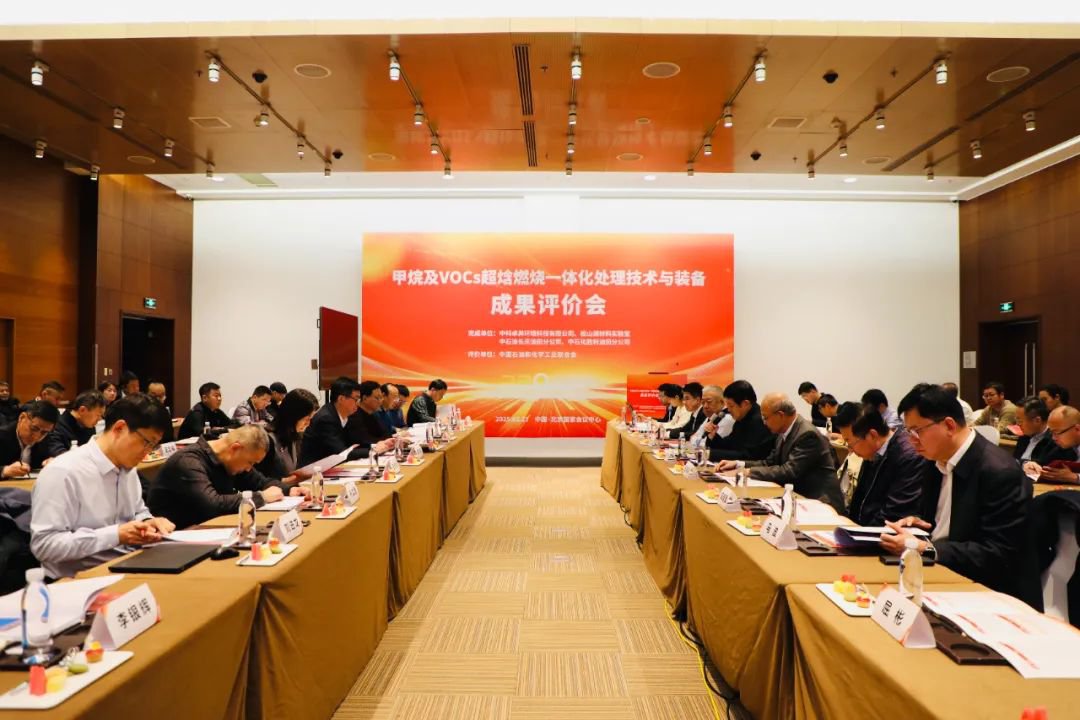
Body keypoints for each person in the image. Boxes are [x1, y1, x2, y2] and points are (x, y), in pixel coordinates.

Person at [881, 383, 1036, 605]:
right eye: (907, 432)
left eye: (916, 431)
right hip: (940, 575)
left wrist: (924, 547)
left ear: (949, 425)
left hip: (987, 594)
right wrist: (918, 524)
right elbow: (946, 525)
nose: (911, 440)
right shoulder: (934, 461)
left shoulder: (1000, 472)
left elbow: (999, 553)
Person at [29, 394, 176, 579]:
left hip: (130, 566)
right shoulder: (63, 472)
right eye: (147, 443)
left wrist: (148, 522)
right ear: (120, 428)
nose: (147, 453)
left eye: (153, 446)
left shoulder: (127, 466)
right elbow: (44, 546)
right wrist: (115, 535)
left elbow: (137, 511)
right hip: (79, 581)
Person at [148, 424, 304, 530]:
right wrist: (261, 497)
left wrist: (290, 490)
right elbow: (212, 504)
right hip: (175, 536)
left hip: (208, 531)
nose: (249, 468)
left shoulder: (232, 461)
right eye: (250, 462)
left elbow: (260, 482)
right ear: (235, 448)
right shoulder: (188, 462)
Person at [718, 392, 844, 511]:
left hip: (820, 503)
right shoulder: (783, 431)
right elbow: (770, 462)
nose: (764, 423)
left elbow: (789, 471)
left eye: (765, 418)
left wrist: (749, 472)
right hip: (798, 498)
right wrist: (738, 464)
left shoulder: (807, 434)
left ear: (780, 415)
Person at [833, 402, 931, 526]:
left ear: (872, 435)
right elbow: (860, 501)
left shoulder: (908, 457)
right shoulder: (872, 451)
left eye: (850, 443)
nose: (850, 449)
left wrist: (860, 533)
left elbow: (894, 514)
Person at [299, 377, 367, 466]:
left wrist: (373, 447)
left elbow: (356, 443)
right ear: (341, 399)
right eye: (356, 399)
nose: (358, 403)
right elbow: (341, 453)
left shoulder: (346, 416)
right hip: (313, 470)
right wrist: (373, 450)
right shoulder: (326, 418)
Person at [256, 389, 319, 479]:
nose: (308, 424)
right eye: (306, 419)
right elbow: (260, 481)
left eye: (310, 419)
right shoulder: (267, 440)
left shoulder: (295, 436)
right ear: (294, 416)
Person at [32, 389, 106, 466]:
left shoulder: (89, 426)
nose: (100, 419)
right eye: (98, 415)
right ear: (82, 410)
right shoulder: (56, 426)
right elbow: (59, 455)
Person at [706, 380, 773, 462]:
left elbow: (748, 456)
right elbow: (730, 445)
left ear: (745, 404)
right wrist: (713, 436)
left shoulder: (759, 421)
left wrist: (710, 454)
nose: (728, 410)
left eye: (731, 406)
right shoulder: (742, 417)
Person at [1015, 397, 1074, 474]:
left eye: (1020, 420)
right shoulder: (1024, 436)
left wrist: (1022, 463)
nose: (1017, 424)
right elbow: (1014, 460)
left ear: (1037, 420)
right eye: (1016, 420)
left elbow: (1042, 467)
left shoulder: (1056, 441)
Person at [1, 401, 59, 479]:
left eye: (44, 432)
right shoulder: (2, 436)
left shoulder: (47, 439)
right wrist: (4, 471)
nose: (37, 436)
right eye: (34, 428)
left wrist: (52, 462)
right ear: (22, 417)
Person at [346, 381, 398, 455]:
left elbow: (385, 433)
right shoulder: (354, 415)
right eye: (377, 398)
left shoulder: (373, 414)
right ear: (365, 398)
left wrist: (390, 441)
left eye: (381, 397)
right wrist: (382, 443)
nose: (380, 401)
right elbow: (363, 441)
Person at [1039, 405, 1080, 484]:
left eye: (1057, 433)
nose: (1053, 438)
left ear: (1077, 429)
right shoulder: (1063, 447)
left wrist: (1075, 477)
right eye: (1051, 433)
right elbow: (1045, 463)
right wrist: (1036, 466)